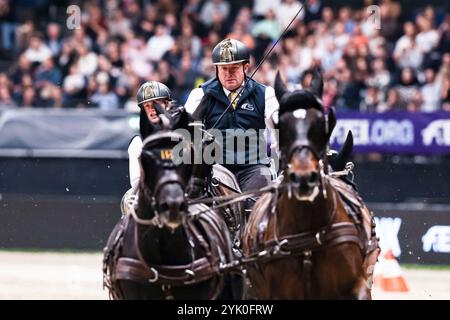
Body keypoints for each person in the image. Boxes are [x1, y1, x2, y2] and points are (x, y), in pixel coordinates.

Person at [184, 38, 279, 211]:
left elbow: (281, 128)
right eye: (223, 69)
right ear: (216, 70)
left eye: (234, 69)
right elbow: (184, 134)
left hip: (254, 167)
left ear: (246, 67)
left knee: (254, 208)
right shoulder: (199, 95)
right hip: (216, 168)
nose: (228, 74)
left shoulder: (265, 94)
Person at [127, 80, 173, 191]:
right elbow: (136, 184)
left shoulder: (183, 133)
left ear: (167, 105)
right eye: (147, 106)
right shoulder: (138, 142)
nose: (152, 110)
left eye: (156, 104)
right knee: (129, 200)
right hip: (154, 195)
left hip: (184, 194)